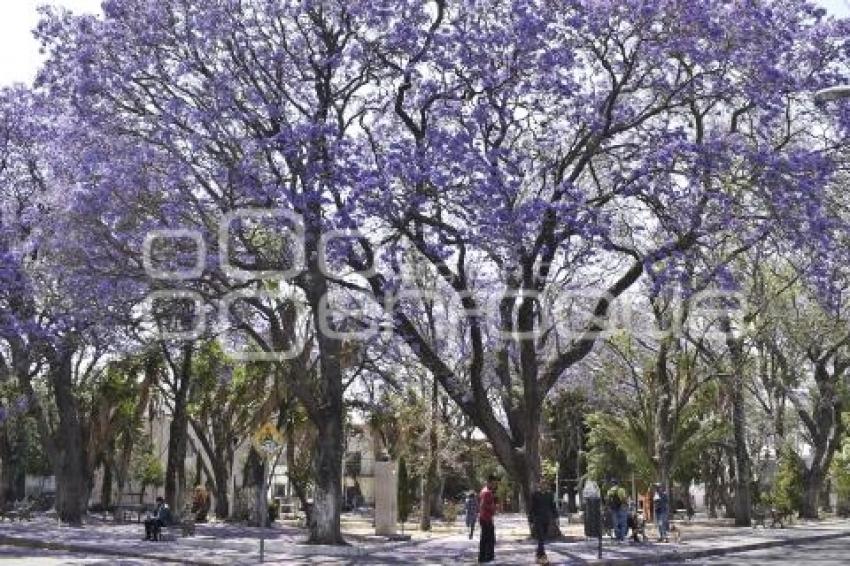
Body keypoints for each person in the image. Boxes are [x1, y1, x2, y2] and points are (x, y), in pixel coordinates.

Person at [530, 483, 558, 563]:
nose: (544, 485)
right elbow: (532, 508)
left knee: (543, 537)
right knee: (541, 537)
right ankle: (543, 556)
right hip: (538, 519)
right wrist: (531, 520)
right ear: (539, 485)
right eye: (542, 484)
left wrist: (556, 517)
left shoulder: (549, 495)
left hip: (546, 519)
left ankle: (538, 554)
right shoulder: (535, 495)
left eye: (545, 484)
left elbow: (553, 506)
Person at [478, 475, 499, 563]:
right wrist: (493, 508)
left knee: (484, 538)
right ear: (489, 482)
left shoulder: (483, 491)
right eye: (493, 483)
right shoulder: (487, 492)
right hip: (486, 518)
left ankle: (483, 557)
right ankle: (488, 557)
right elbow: (483, 505)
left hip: (484, 517)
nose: (494, 485)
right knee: (489, 538)